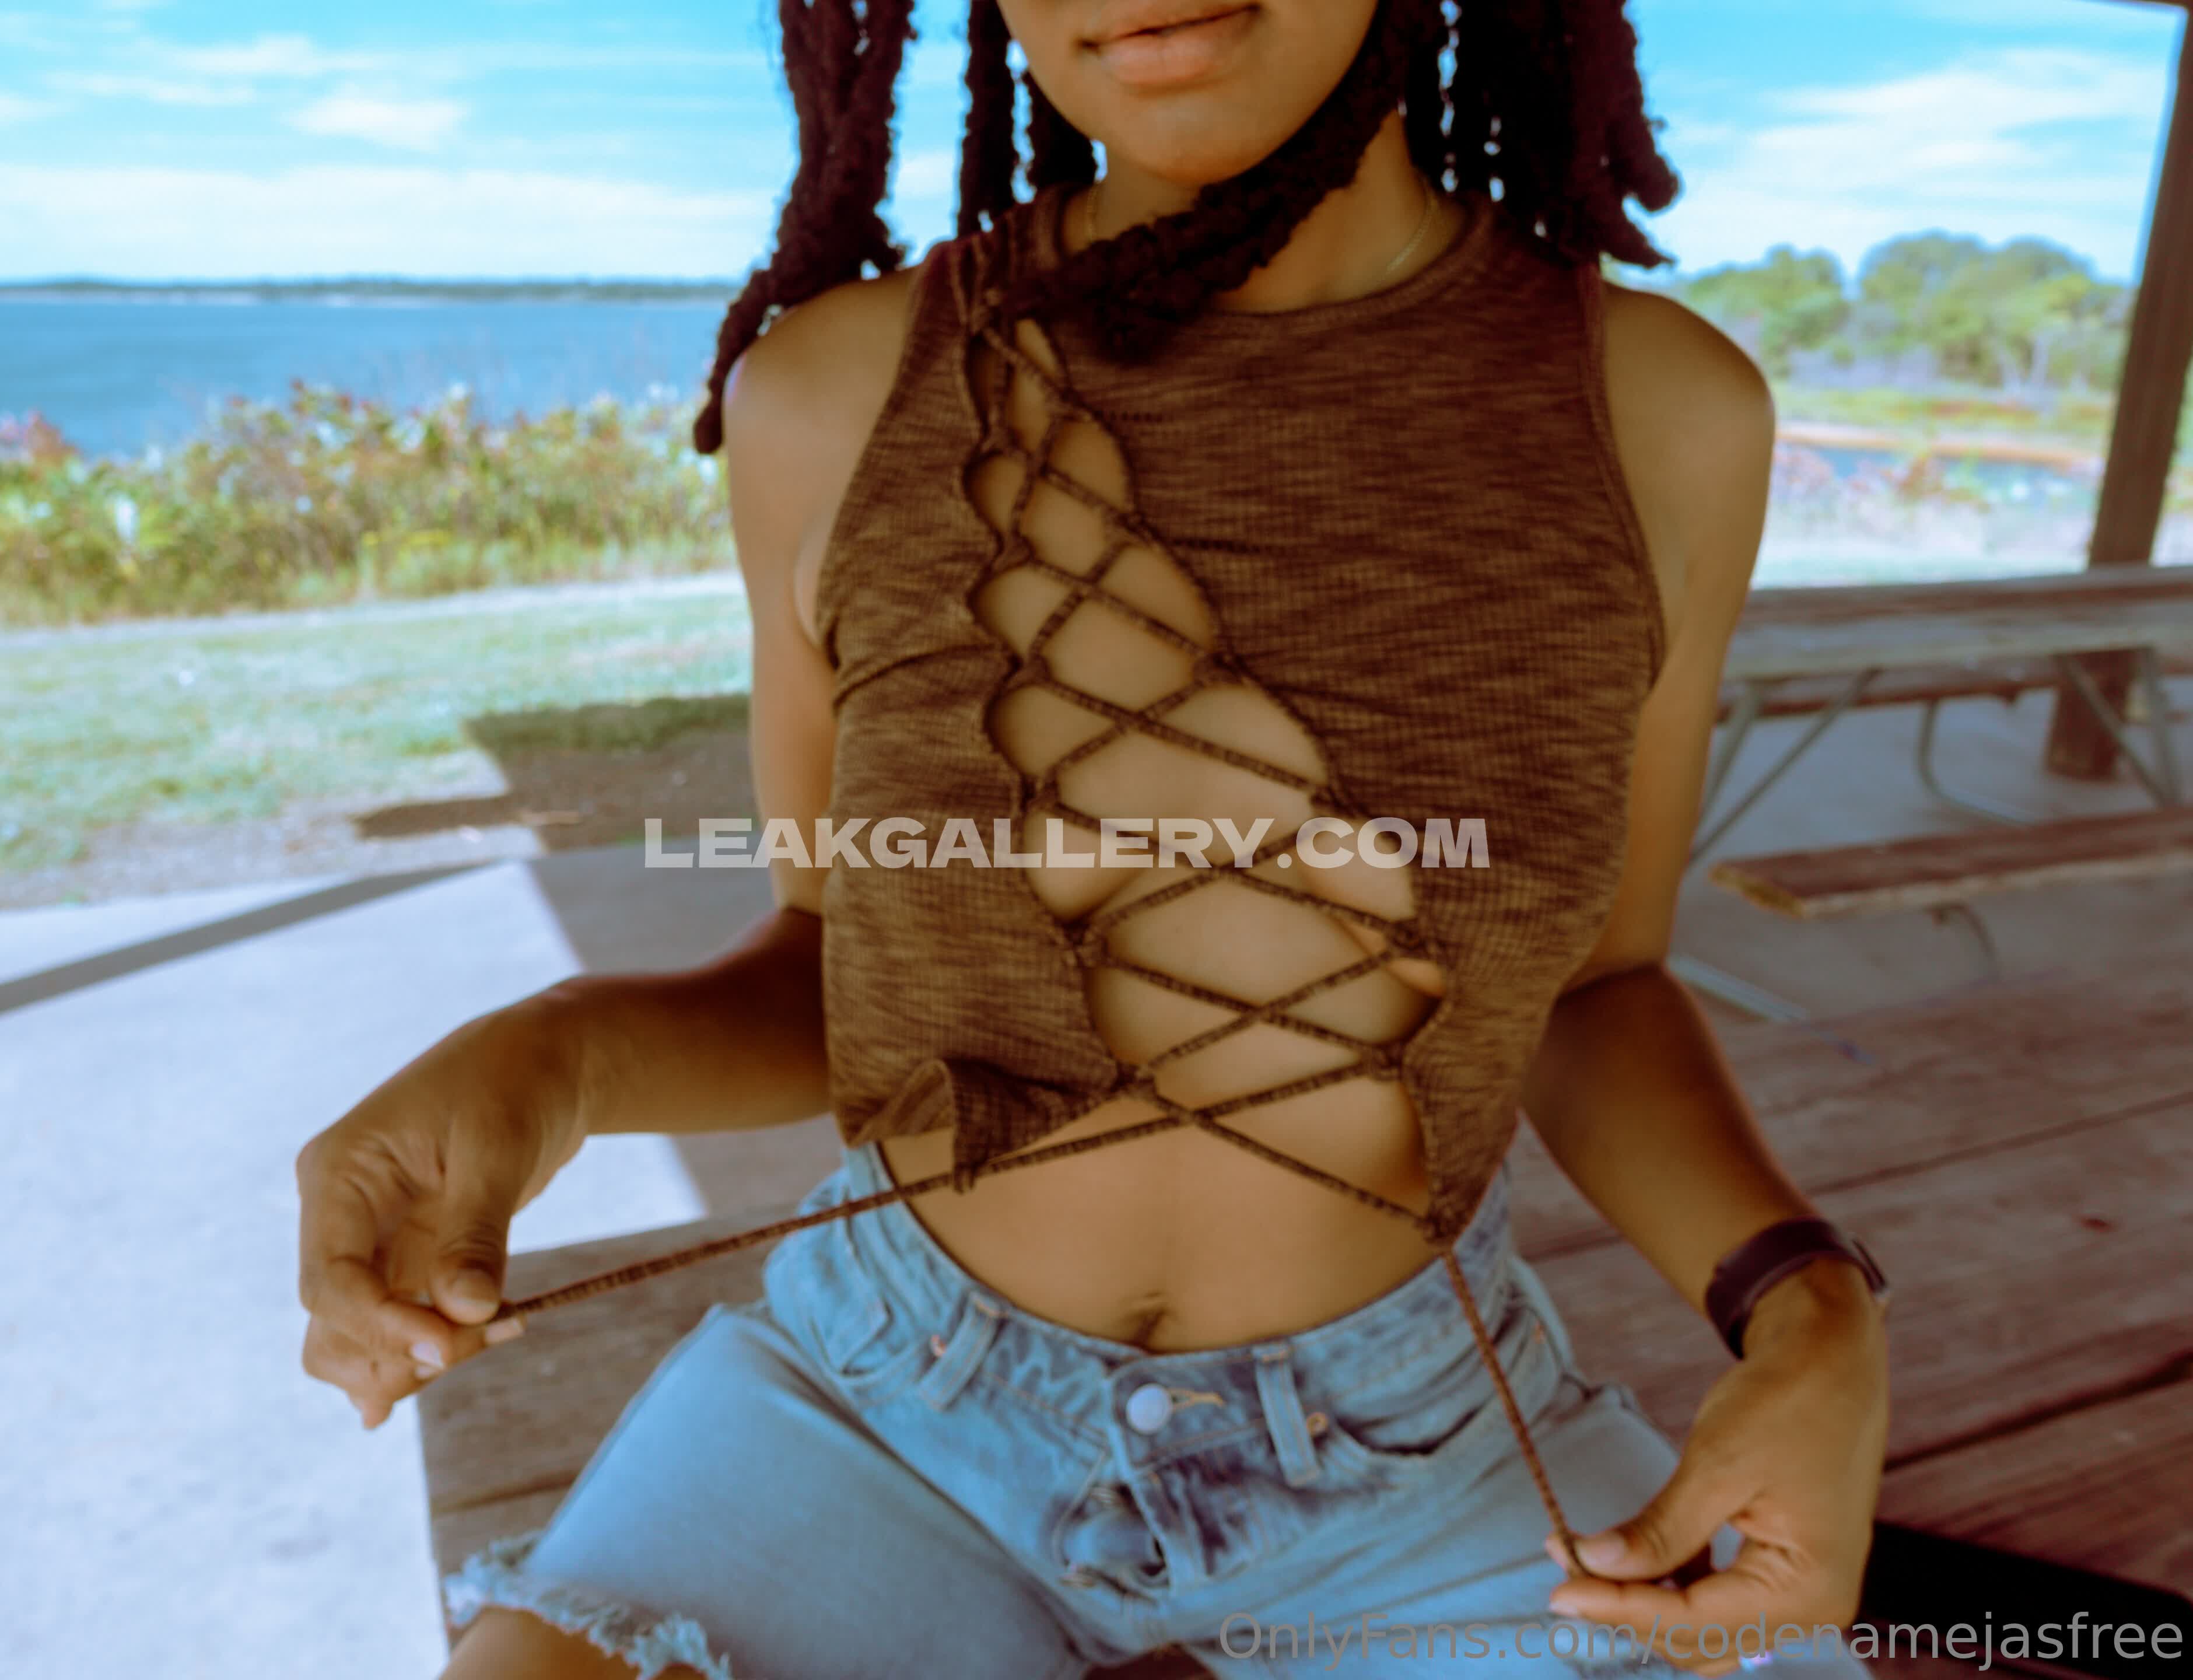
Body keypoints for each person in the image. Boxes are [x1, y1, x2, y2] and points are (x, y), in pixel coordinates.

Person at [293, 2, 1891, 1676]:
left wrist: (1810, 1304)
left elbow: (1599, 984)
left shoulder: (1657, 413)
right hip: (888, 1407)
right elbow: (843, 952)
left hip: (1418, 1454)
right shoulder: (836, 394)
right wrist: (555, 1060)